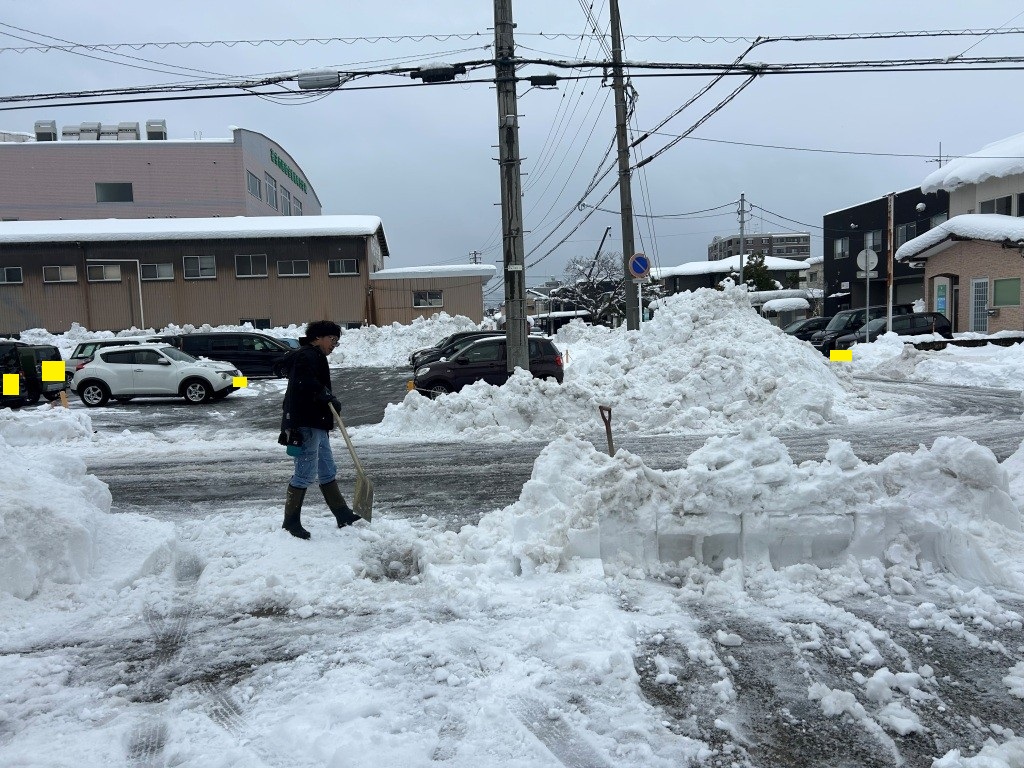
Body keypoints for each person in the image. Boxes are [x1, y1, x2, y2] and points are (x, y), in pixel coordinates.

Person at [279, 320, 359, 539]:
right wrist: (325, 395)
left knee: (326, 468)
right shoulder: (307, 356)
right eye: (332, 340)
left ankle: (342, 513)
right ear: (318, 337)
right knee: (304, 473)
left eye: (337, 342)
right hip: (306, 423)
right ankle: (291, 522)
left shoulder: (313, 356)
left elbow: (310, 384)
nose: (334, 345)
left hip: (317, 422)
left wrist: (326, 397)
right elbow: (304, 384)